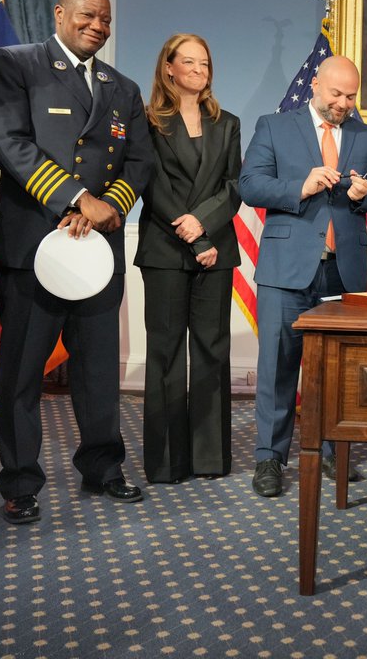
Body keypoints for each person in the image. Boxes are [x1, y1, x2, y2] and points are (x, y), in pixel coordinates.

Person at [0, 0, 154, 523]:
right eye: (86, 15)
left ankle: (104, 468)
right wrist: (76, 198)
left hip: (96, 251)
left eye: (104, 18)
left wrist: (107, 206)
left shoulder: (121, 87)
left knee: (99, 369)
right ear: (59, 13)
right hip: (36, 245)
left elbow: (140, 162)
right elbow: (10, 141)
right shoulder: (16, 64)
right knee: (22, 373)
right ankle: (19, 481)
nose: (97, 25)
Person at [239, 56, 367, 498]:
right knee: (277, 367)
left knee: (335, 369)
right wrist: (300, 187)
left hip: (342, 272)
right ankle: (270, 459)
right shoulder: (274, 127)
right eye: (336, 94)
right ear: (315, 85)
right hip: (286, 270)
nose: (343, 104)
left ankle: (332, 449)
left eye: (351, 96)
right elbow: (249, 184)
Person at [134, 34, 241, 483]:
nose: (199, 70)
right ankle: (166, 462)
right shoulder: (148, 121)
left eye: (205, 63)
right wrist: (193, 233)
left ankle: (210, 458)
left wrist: (204, 226)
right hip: (165, 249)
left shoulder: (228, 123)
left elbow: (233, 187)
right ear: (169, 68)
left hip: (217, 248)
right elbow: (153, 186)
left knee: (213, 351)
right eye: (189, 62)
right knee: (166, 353)